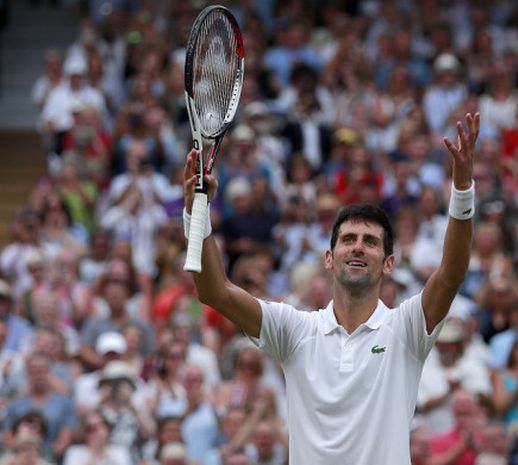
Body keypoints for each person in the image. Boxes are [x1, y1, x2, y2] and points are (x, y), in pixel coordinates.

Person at [182, 112, 480, 465]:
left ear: (388, 263)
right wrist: (195, 209)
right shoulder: (295, 330)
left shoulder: (406, 328)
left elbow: (451, 273)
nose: (357, 247)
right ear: (329, 258)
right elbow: (213, 291)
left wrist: (462, 189)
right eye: (349, 239)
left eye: (370, 242)